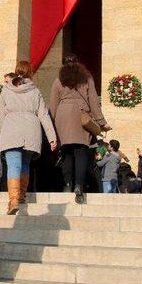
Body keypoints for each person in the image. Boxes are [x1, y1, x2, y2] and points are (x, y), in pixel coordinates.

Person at [0, 61, 57, 214]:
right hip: (31, 131)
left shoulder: (7, 90)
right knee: (25, 163)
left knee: (14, 164)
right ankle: (21, 196)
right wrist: (52, 137)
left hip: (11, 129)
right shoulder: (35, 91)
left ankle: (13, 200)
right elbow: (44, 115)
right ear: (30, 73)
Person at [50, 55, 110, 203]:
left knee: (67, 153)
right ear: (78, 63)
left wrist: (54, 121)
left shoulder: (58, 80)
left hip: (63, 116)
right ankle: (79, 185)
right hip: (81, 116)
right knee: (81, 152)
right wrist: (101, 122)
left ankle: (67, 184)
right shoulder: (86, 78)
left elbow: (53, 104)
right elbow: (94, 102)